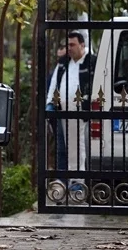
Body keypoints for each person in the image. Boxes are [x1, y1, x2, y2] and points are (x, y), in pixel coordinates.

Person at [46, 31, 96, 192]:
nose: (69, 48)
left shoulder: (91, 62)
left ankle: (77, 181)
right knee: (64, 147)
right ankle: (65, 179)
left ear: (82, 45)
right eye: (67, 45)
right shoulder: (64, 63)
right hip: (62, 111)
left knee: (78, 147)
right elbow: (54, 83)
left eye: (72, 45)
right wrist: (50, 103)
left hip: (80, 111)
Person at [46, 43, 67, 170]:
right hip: (57, 111)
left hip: (70, 110)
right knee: (61, 148)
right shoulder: (57, 70)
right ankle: (62, 176)